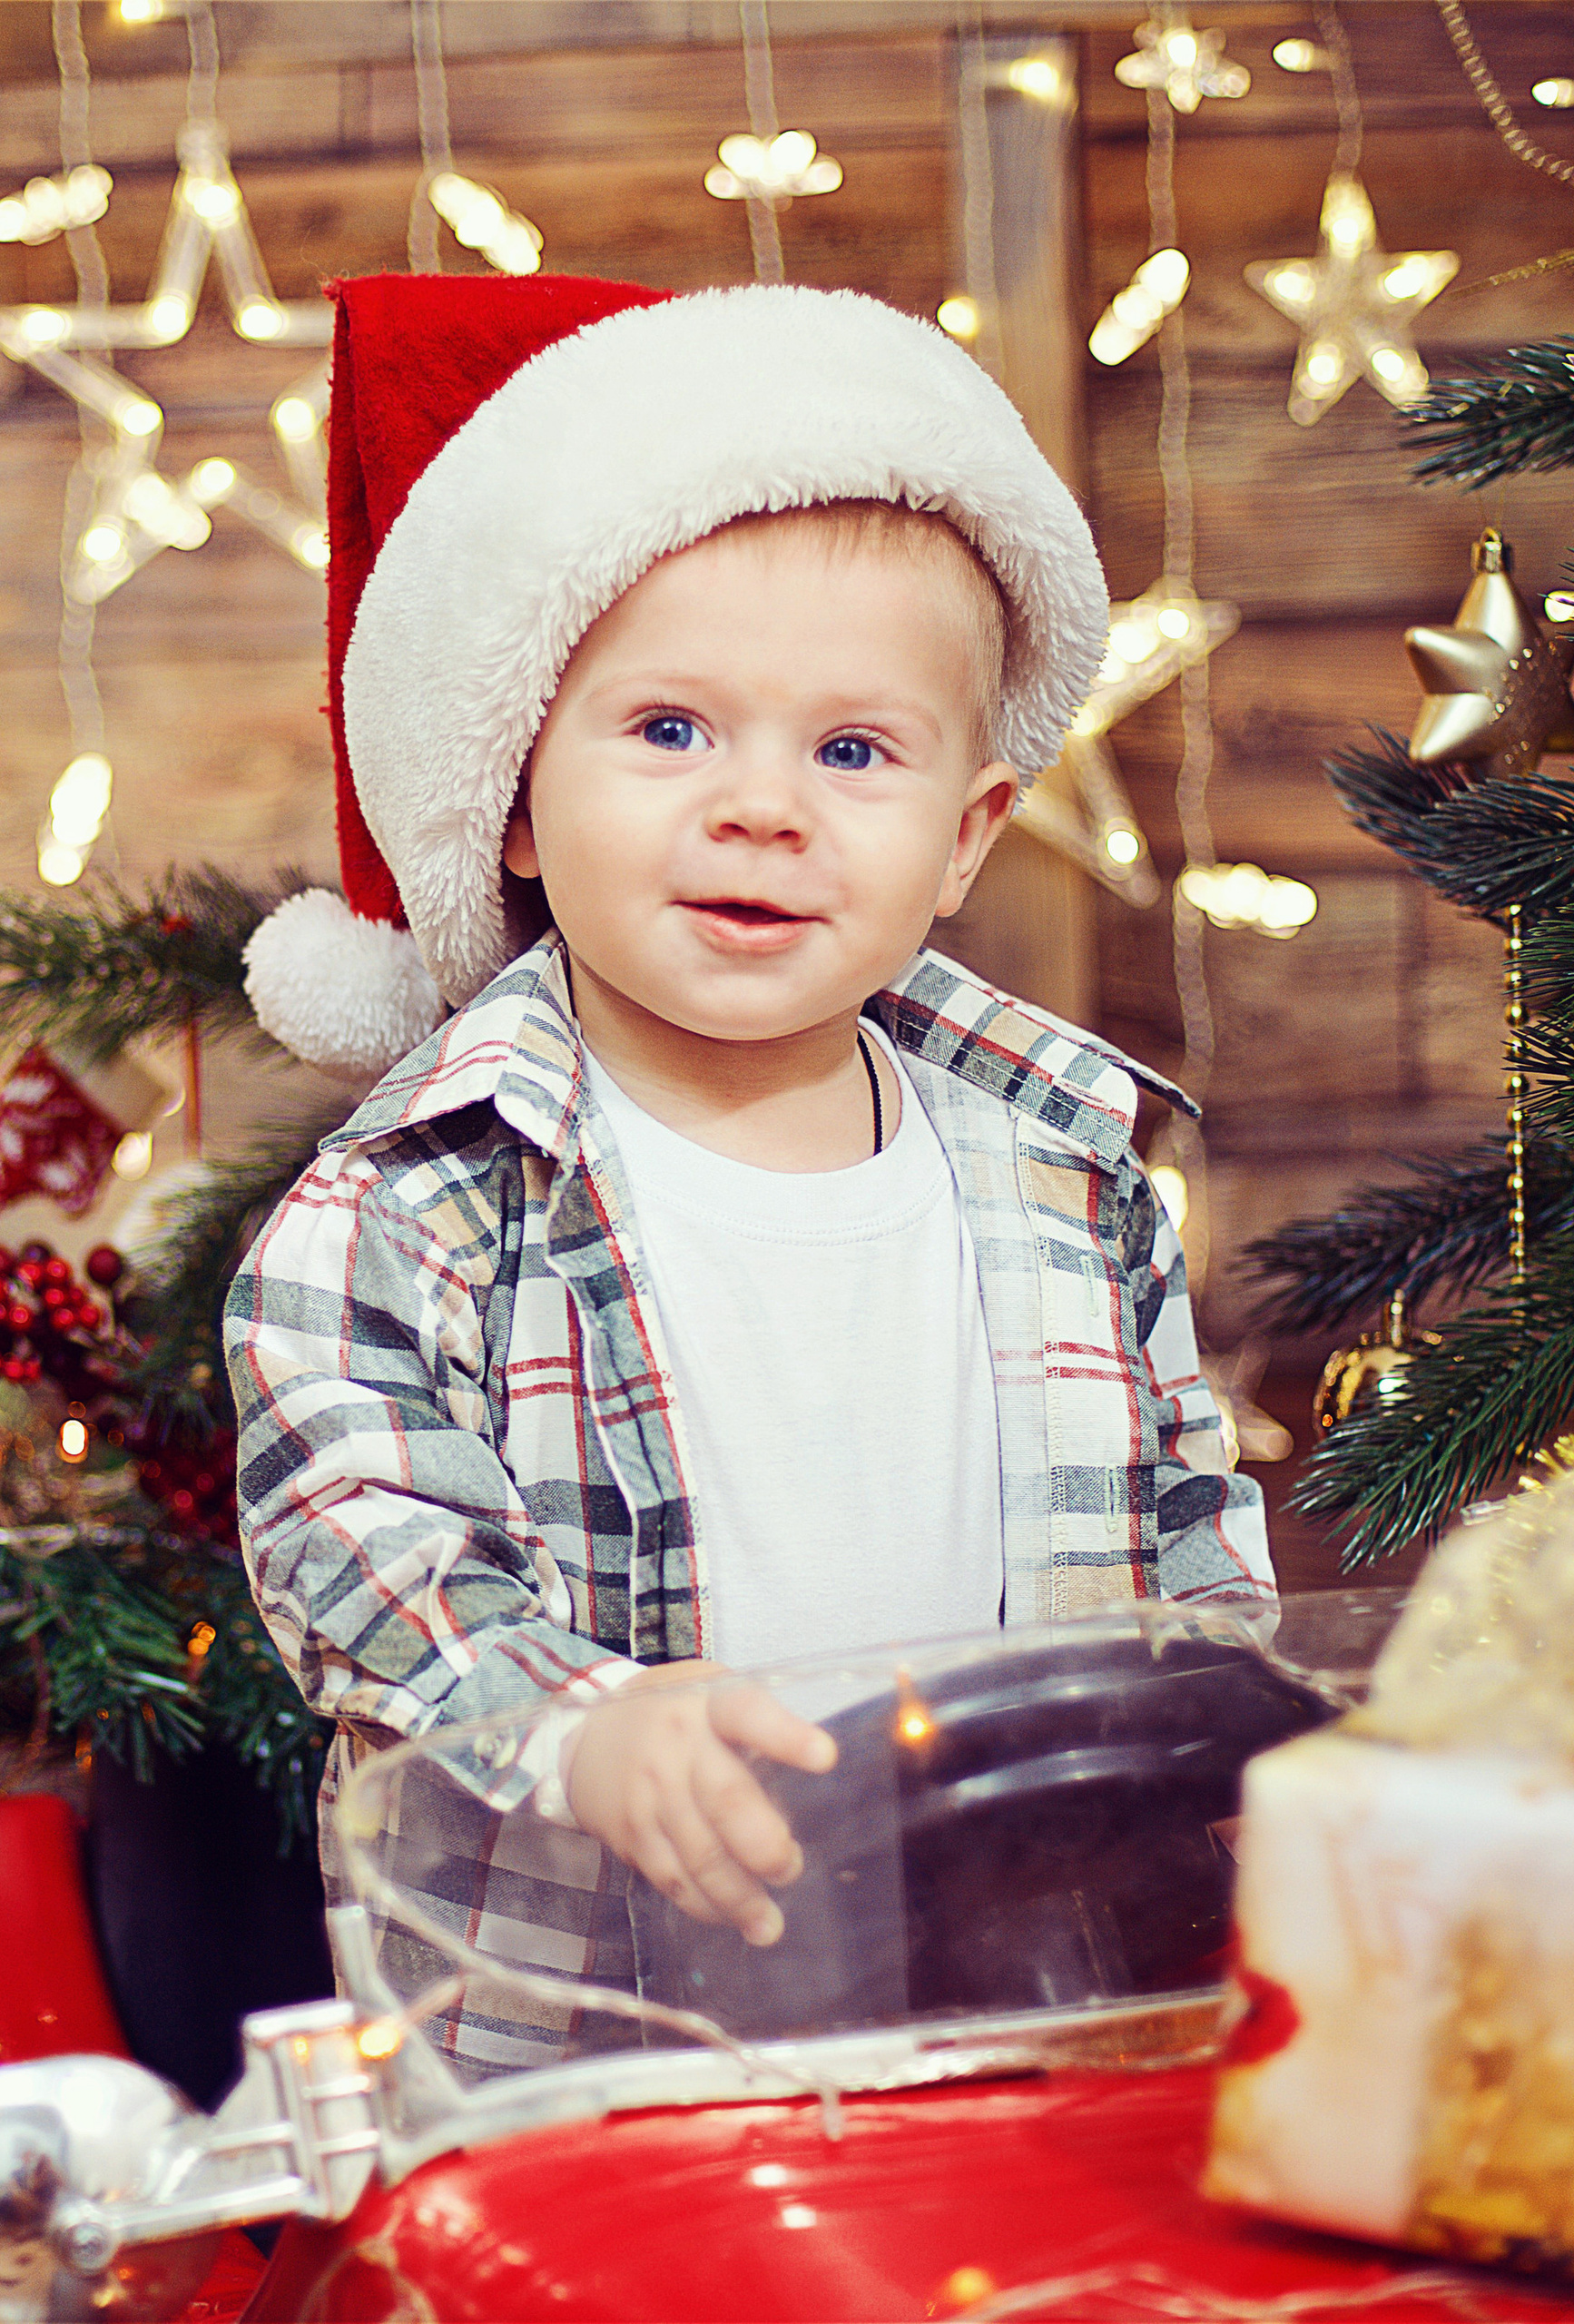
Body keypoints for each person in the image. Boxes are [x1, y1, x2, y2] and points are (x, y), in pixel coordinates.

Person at [224, 273, 1273, 2074]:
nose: (762, 807)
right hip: (594, 2040)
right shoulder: (412, 1206)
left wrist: (1220, 1739)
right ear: (516, 796)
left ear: (965, 834)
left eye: (852, 751)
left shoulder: (1063, 1161)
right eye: (669, 730)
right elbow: (357, 1539)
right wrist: (581, 1723)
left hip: (1037, 1991)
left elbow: (1187, 1513)